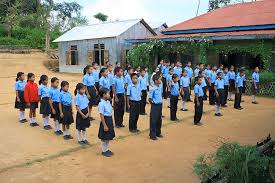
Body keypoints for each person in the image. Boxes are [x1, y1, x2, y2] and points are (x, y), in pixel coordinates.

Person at [98, 88, 116, 157]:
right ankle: (104, 150)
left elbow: (110, 112)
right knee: (104, 137)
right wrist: (104, 125)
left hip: (109, 119)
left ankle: (107, 149)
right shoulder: (101, 104)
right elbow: (101, 115)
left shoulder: (108, 102)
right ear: (104, 95)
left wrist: (112, 122)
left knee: (108, 136)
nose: (109, 95)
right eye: (108, 93)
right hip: (105, 120)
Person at [149, 74, 163, 140]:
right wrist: (153, 104)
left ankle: (158, 132)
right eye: (159, 79)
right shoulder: (152, 88)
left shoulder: (160, 86)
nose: (161, 80)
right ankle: (152, 135)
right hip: (155, 105)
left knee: (159, 119)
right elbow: (150, 99)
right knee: (153, 120)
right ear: (156, 81)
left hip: (160, 105)